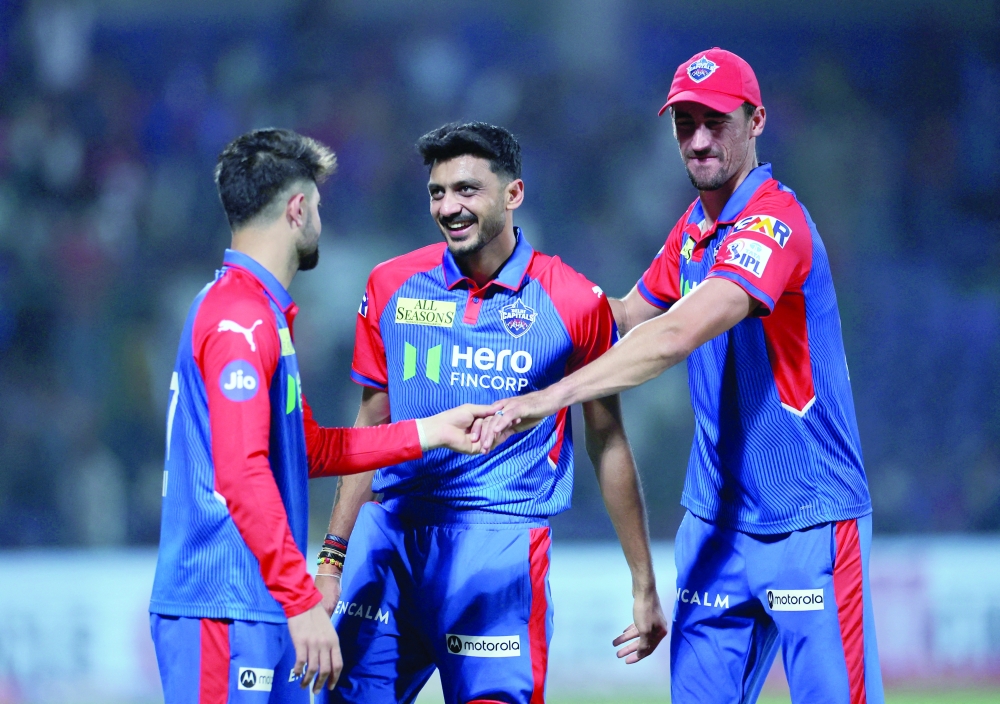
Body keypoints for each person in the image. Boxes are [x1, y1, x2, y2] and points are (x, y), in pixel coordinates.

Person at [482, 49, 884, 704]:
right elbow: (616, 318)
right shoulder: (695, 231)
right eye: (684, 123)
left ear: (756, 120)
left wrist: (550, 396)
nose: (698, 139)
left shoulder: (775, 224)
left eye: (715, 121)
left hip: (808, 519)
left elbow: (671, 335)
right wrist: (511, 320)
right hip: (716, 523)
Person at [313, 122, 667, 704]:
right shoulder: (392, 284)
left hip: (498, 545)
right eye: (436, 192)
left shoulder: (574, 301)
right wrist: (332, 557)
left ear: (514, 193)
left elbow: (607, 441)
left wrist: (643, 582)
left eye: (467, 190)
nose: (448, 207)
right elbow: (370, 422)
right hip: (390, 536)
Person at [149, 128, 495, 703]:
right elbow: (240, 473)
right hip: (221, 608)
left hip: (256, 604)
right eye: (319, 205)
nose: (319, 221)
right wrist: (301, 597)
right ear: (297, 208)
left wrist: (431, 431)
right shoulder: (240, 322)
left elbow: (309, 449)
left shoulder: (258, 315)